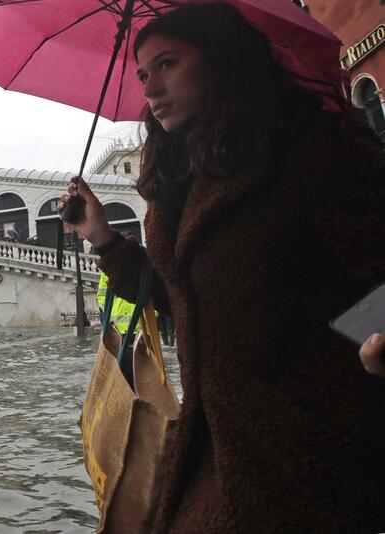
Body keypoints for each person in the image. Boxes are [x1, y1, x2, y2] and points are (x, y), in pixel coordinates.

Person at [61, 4, 385, 532]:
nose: (149, 88)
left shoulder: (314, 150)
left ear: (221, 60)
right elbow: (187, 300)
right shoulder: (176, 185)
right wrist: (101, 237)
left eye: (167, 65)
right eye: (143, 74)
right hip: (215, 449)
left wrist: (373, 339)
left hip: (316, 449)